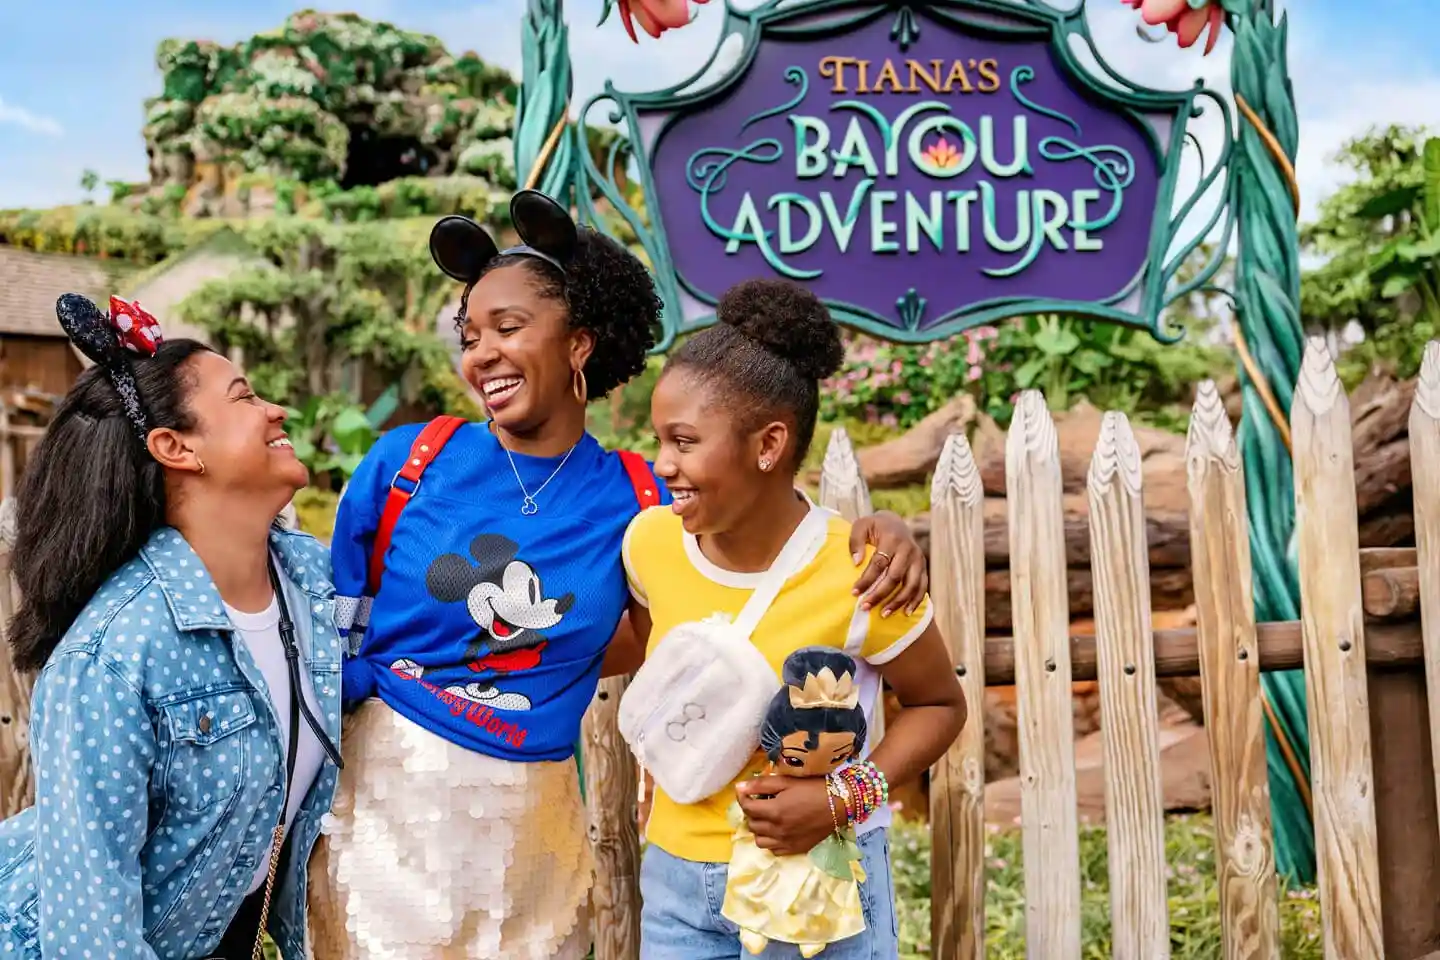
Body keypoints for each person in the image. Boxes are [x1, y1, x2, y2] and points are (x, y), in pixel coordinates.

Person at [308, 190, 929, 959]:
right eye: (471, 335)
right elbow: (331, 633)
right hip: (393, 815)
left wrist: (885, 529)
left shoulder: (641, 499)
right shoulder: (407, 462)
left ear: (579, 344)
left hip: (534, 825)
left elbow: (752, 535)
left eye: (508, 327)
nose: (481, 354)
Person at [619, 278, 968, 959]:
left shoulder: (861, 572)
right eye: (660, 439)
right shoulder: (650, 545)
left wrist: (844, 797)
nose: (664, 465)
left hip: (823, 896)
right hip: (677, 894)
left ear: (769, 444)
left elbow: (939, 704)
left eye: (685, 441)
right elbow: (638, 649)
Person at [0, 294, 343, 960]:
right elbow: (90, 940)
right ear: (176, 447)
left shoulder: (309, 580)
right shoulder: (115, 657)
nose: (276, 410)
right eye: (244, 398)